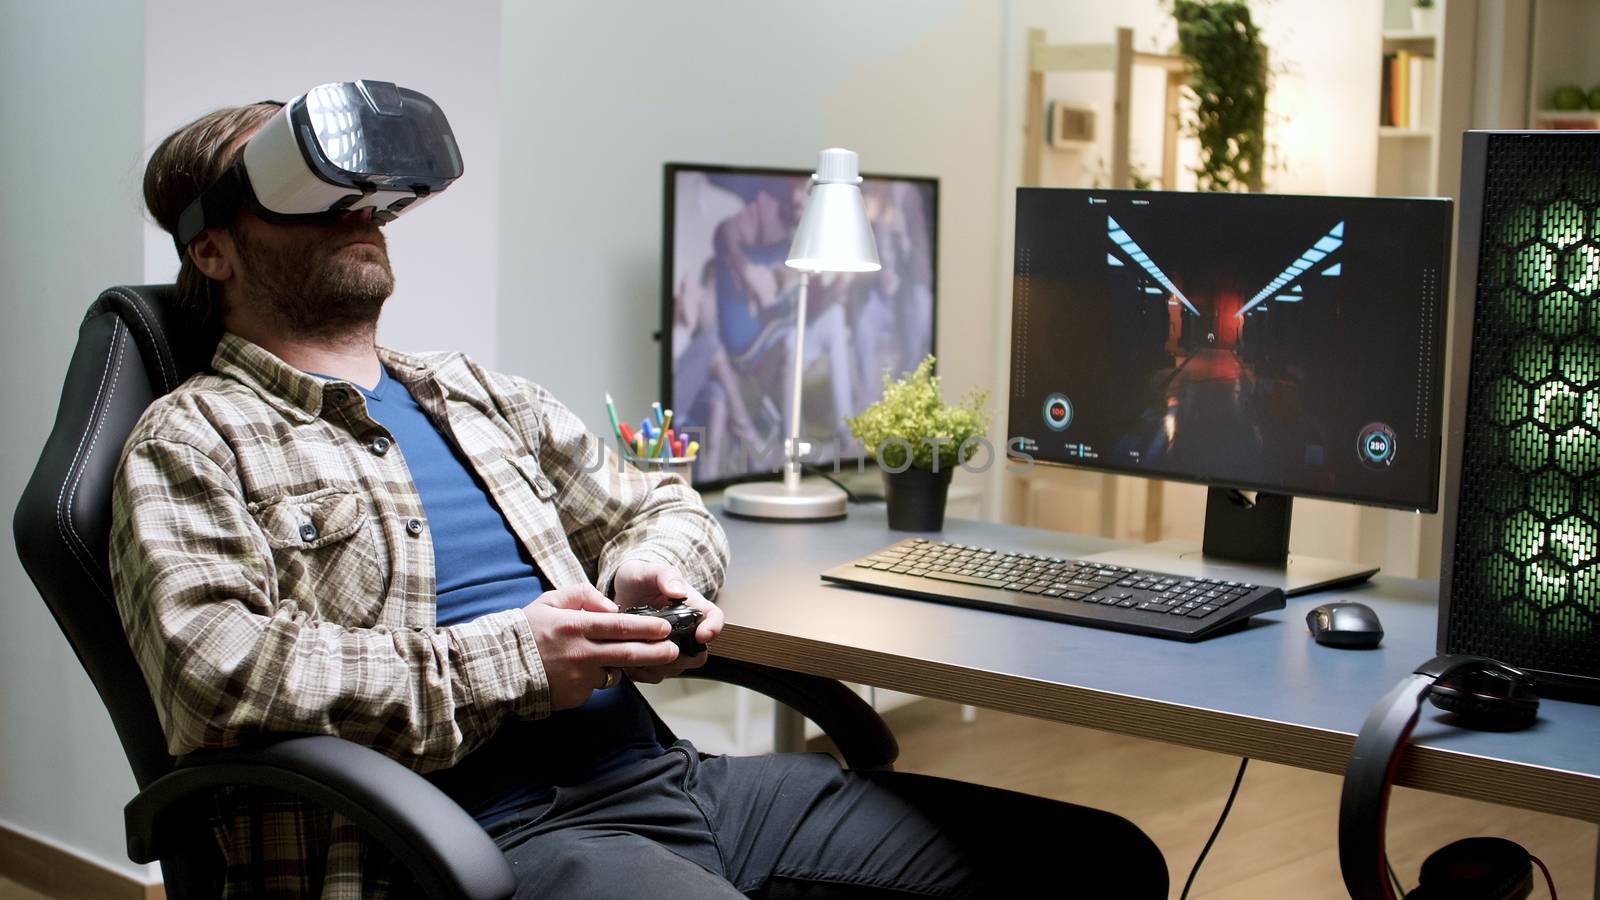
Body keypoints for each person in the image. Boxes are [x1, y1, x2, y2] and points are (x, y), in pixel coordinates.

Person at [111, 97, 1169, 899]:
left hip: (670, 780)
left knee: (1096, 862)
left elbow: (655, 501)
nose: (358, 213)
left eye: (363, 194)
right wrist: (518, 661)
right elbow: (219, 677)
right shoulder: (192, 439)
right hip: (463, 835)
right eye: (306, 198)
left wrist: (651, 566)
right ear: (212, 248)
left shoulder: (475, 393)